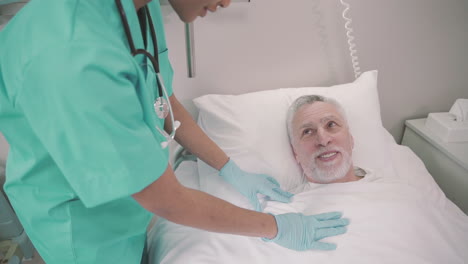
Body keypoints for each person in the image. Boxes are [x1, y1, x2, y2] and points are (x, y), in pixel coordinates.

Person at [0, 1, 349, 263]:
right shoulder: (70, 56)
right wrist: (277, 227)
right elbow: (165, 199)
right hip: (82, 228)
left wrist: (228, 167)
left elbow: (160, 98)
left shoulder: (138, 7)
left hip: (128, 209)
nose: (227, 2)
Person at [286, 95, 369, 185]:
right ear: (295, 152)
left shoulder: (384, 183)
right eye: (307, 131)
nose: (323, 140)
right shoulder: (293, 199)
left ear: (350, 138)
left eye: (331, 124)